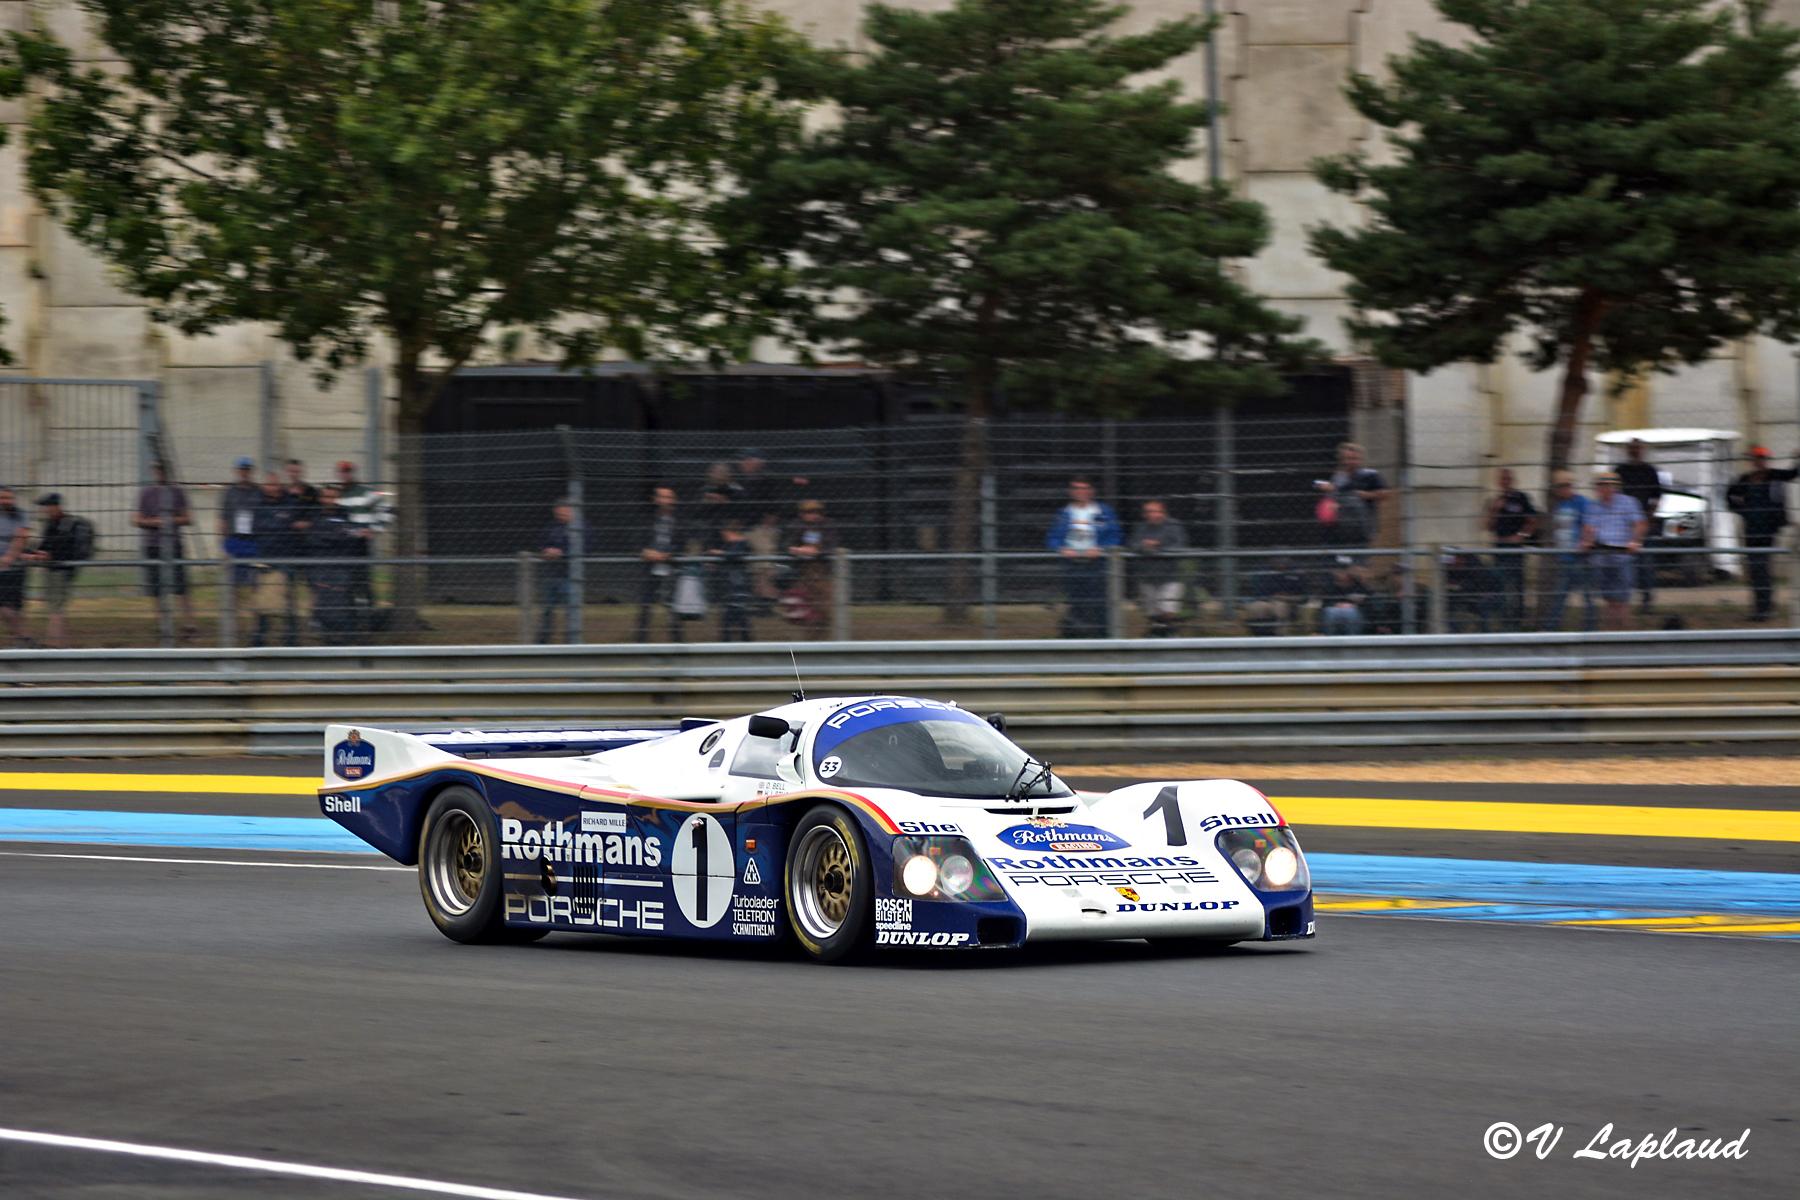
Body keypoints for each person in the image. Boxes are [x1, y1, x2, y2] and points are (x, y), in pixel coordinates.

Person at [1725, 446, 1800, 623]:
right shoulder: (1744, 480)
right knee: (1756, 569)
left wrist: (1797, 459)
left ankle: (1764, 608)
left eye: (1762, 458)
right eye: (1757, 458)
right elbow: (1729, 496)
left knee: (1761, 568)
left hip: (1767, 530)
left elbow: (1793, 474)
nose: (1759, 462)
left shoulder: (1773, 475)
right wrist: (1743, 511)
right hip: (1751, 529)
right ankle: (1761, 607)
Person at [1046, 478, 1121, 638]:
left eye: (1085, 488)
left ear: (1091, 491)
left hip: (1097, 563)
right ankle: (1076, 634)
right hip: (1072, 564)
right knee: (1076, 600)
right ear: (1071, 492)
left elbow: (1115, 535)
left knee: (1100, 600)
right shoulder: (1064, 513)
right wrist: (1061, 548)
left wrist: (1101, 548)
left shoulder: (1103, 512)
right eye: (1077, 488)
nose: (1081, 492)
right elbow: (1052, 537)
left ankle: (1103, 635)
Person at [135, 460, 198, 640]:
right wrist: (155, 522)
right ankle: (163, 624)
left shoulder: (177, 492)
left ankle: (189, 624)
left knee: (181, 587)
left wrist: (169, 521)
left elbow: (187, 518)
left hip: (173, 543)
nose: (160, 474)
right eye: (157, 471)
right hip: (153, 544)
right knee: (156, 588)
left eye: (163, 471)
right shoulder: (146, 493)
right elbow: (137, 519)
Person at [1580, 470, 1647, 632]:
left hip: (1622, 555)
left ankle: (1626, 635)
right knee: (1609, 599)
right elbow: (1588, 528)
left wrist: (1635, 541)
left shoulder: (1628, 503)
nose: (1603, 489)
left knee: (1622, 600)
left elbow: (1640, 524)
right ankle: (1611, 635)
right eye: (1601, 485)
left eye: (1607, 485)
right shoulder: (1593, 506)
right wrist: (1586, 541)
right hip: (1602, 557)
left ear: (1615, 487)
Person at [307, 483, 371, 643]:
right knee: (325, 604)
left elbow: (353, 536)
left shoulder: (346, 515)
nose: (330, 500)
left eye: (333, 497)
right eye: (327, 497)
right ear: (322, 498)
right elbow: (319, 536)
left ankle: (348, 639)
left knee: (344, 604)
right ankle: (327, 638)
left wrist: (349, 534)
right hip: (322, 568)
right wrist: (345, 534)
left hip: (343, 568)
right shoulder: (316, 516)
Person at [25, 493, 90, 648]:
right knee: (57, 608)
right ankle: (63, 644)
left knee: (56, 608)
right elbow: (45, 546)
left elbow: (64, 550)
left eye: (47, 506)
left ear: (56, 506)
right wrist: (35, 552)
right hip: (52, 570)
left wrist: (48, 555)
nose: (44, 510)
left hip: (60, 571)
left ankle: (53, 644)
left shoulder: (67, 524)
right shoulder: (51, 524)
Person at [1538, 471, 1595, 632]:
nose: (1562, 490)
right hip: (1565, 557)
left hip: (1579, 557)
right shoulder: (1560, 505)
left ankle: (1591, 628)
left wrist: (1585, 542)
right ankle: (1551, 627)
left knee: (1586, 595)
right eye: (1559, 487)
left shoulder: (1581, 502)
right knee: (1560, 594)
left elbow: (1589, 524)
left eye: (1564, 486)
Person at [1484, 467, 1538, 631]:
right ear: (1498, 482)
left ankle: (1518, 620)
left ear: (1512, 481)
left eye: (1508, 479)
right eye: (1502, 479)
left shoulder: (1521, 498)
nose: (1505, 482)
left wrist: (1521, 535)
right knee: (1501, 584)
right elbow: (1487, 526)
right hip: (1499, 547)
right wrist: (1495, 509)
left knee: (1517, 585)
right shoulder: (1494, 500)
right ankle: (1504, 621)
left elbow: (1533, 521)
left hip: (1515, 548)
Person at [1615, 438, 1663, 612]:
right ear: (1628, 450)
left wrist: (1648, 519)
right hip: (1622, 523)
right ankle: (1623, 598)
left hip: (1642, 522)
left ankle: (1646, 600)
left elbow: (1656, 497)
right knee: (1623, 561)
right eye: (1632, 448)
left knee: (1645, 562)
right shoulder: (1620, 471)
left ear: (1642, 450)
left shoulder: (1649, 471)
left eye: (1638, 448)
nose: (1635, 451)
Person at [1130, 499, 1189, 637]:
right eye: (1148, 512)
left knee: (1167, 609)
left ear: (1163, 512)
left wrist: (1159, 546)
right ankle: (1160, 634)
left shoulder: (1173, 526)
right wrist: (1144, 546)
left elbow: (1179, 546)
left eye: (1155, 511)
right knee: (1152, 611)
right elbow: (1132, 544)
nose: (1152, 514)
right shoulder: (1141, 527)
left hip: (1170, 574)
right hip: (1148, 574)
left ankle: (1168, 634)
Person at [1314, 441, 1390, 547]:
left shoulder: (1370, 475)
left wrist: (1366, 495)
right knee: (1341, 559)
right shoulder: (1338, 476)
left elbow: (1385, 494)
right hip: (1340, 527)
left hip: (1362, 526)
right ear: (1342, 459)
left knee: (1358, 559)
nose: (1351, 462)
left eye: (1355, 459)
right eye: (1348, 459)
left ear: (1361, 459)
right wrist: (1331, 491)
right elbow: (1334, 497)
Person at [220, 456, 264, 638]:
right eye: (242, 469)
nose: (245, 473)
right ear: (237, 471)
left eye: (247, 469)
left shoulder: (258, 492)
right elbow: (223, 519)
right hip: (234, 540)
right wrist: (223, 544)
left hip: (253, 541)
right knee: (233, 586)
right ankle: (233, 626)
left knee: (255, 584)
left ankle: (255, 626)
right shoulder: (229, 492)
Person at [635, 486, 684, 643]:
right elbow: (636, 541)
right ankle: (641, 640)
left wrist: (670, 554)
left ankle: (677, 641)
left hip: (671, 566)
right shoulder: (646, 520)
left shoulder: (680, 521)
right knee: (645, 605)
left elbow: (684, 542)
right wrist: (646, 552)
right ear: (656, 500)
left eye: (669, 497)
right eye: (663, 497)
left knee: (673, 605)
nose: (666, 501)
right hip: (650, 567)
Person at [783, 499, 838, 638]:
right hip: (802, 572)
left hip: (823, 572)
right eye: (809, 512)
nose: (814, 515)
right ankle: (809, 640)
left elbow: (831, 546)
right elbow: (786, 545)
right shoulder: (796, 525)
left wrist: (817, 551)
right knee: (806, 611)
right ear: (802, 514)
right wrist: (798, 549)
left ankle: (819, 639)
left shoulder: (827, 525)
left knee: (826, 610)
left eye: (817, 512)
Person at [536, 499, 580, 643]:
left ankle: (572, 641)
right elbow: (541, 542)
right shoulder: (552, 526)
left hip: (571, 575)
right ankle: (543, 641)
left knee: (570, 610)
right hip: (553, 574)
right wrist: (546, 551)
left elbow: (586, 545)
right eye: (558, 513)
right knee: (548, 610)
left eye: (564, 513)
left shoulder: (581, 527)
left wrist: (562, 552)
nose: (561, 516)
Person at [708, 518, 755, 642]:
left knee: (739, 616)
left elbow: (736, 555)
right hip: (729, 585)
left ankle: (743, 641)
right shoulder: (728, 545)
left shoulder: (742, 543)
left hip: (739, 585)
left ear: (727, 532)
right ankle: (730, 640)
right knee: (730, 617)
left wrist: (720, 553)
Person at [1242, 557, 1309, 636]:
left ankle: (1280, 638)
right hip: (1267, 601)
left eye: (1283, 558)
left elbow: (1304, 598)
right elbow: (1258, 594)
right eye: (1277, 558)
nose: (1280, 561)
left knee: (1280, 606)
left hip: (1290, 604)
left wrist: (1286, 598)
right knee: (1258, 607)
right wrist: (1271, 599)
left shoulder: (1296, 573)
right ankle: (1261, 638)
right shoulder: (1264, 573)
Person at [0, 487, 32, 645]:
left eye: (9, 498)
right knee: (5, 606)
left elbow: (21, 537)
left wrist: (8, 558)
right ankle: (22, 637)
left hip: (15, 568)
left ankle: (21, 638)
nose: (6, 501)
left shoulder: (20, 514)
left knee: (13, 606)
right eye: (3, 498)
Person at [1320, 557, 1370, 636]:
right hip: (1334, 613)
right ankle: (1330, 641)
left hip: (1355, 615)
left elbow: (1368, 601)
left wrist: (1354, 605)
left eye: (1346, 568)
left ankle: (1353, 641)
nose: (1343, 572)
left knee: (1351, 612)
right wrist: (1336, 605)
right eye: (1340, 569)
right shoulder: (1329, 586)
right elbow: (1324, 604)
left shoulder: (1359, 585)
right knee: (1331, 612)